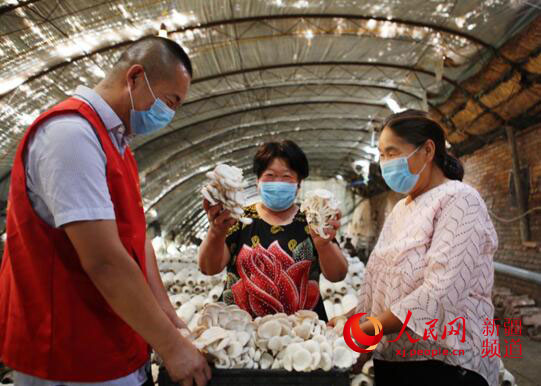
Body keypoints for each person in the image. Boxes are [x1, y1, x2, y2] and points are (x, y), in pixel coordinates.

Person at [0, 37, 211, 386]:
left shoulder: (116, 145)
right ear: (135, 78)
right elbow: (104, 261)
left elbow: (137, 241)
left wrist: (168, 319)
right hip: (71, 357)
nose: (170, 115)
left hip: (114, 344)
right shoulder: (71, 136)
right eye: (170, 101)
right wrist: (172, 348)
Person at [335, 110, 498, 386]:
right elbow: (377, 284)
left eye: (392, 152)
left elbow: (441, 292)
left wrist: (370, 329)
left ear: (428, 150)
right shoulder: (401, 209)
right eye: (381, 155)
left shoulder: (460, 201)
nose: (385, 163)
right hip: (395, 361)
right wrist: (349, 320)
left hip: (447, 364)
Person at [198, 140, 348, 320]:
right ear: (257, 181)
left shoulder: (312, 220)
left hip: (303, 333)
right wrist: (216, 231)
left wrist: (323, 245)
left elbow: (337, 275)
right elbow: (209, 269)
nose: (278, 182)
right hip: (241, 331)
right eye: (270, 175)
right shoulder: (238, 218)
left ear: (298, 184)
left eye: (287, 177)